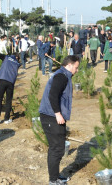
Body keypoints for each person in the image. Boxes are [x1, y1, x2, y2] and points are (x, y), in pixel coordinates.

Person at [39, 55, 80, 185]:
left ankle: (56, 176)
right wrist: (57, 114)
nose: (77, 70)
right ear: (69, 65)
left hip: (52, 115)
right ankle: (53, 180)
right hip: (51, 116)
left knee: (59, 147)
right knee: (56, 148)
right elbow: (53, 95)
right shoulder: (61, 76)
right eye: (76, 67)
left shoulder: (63, 75)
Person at [0, 52, 21, 124]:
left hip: (2, 80)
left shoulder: (6, 57)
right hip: (10, 83)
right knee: (9, 100)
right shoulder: (17, 64)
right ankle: (6, 119)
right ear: (17, 57)